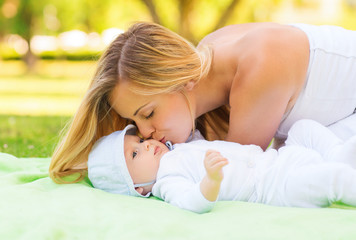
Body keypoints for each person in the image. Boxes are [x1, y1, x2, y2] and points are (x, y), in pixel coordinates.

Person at [49, 21, 356, 183]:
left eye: (149, 113)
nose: (144, 133)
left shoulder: (258, 66)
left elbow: (237, 172)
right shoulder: (212, 50)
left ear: (182, 79)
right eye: (135, 122)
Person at [87, 119, 356, 214]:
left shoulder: (177, 146)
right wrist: (211, 180)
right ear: (139, 189)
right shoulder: (167, 181)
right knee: (334, 178)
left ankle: (339, 153)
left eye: (140, 140)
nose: (146, 145)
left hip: (279, 159)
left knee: (302, 128)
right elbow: (192, 202)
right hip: (275, 189)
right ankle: (343, 166)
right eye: (134, 154)